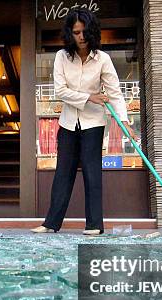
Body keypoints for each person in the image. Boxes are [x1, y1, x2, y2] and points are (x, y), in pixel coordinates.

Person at [32, 9, 128, 235]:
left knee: (92, 173)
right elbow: (60, 91)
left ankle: (95, 225)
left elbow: (115, 93)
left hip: (93, 123)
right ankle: (51, 223)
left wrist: (124, 122)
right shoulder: (61, 57)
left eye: (85, 32)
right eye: (76, 32)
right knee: (63, 173)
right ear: (70, 33)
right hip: (67, 123)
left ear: (92, 31)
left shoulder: (102, 59)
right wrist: (89, 97)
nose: (81, 36)